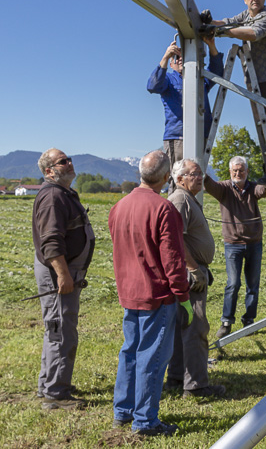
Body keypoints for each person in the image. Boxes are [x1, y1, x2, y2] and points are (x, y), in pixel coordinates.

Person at [108, 150, 193, 437]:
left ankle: (123, 410)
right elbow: (173, 259)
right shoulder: (163, 209)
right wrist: (183, 296)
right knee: (152, 356)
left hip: (129, 292)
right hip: (157, 295)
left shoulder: (119, 206)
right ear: (168, 177)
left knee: (130, 352)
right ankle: (145, 420)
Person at [207, 0, 266, 182]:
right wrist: (209, 23)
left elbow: (254, 34)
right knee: (262, 126)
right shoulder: (245, 16)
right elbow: (227, 22)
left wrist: (223, 32)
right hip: (256, 80)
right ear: (245, 0)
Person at [32, 149, 94, 411]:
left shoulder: (62, 193)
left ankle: (49, 384)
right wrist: (63, 274)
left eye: (69, 160)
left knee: (56, 328)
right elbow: (51, 241)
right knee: (61, 331)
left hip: (64, 272)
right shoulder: (53, 196)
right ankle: (56, 394)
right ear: (49, 171)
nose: (69, 164)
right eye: (62, 162)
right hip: (59, 274)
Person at [165, 158, 226, 398]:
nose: (199, 178)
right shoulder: (180, 200)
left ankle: (177, 377)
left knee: (186, 325)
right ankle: (197, 385)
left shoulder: (187, 198)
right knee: (196, 327)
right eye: (194, 174)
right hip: (190, 273)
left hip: (193, 270)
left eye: (201, 174)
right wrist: (193, 269)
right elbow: (175, 239)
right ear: (180, 179)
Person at [204, 156, 266, 338]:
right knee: (233, 283)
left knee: (253, 285)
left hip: (254, 243)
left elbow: (263, 190)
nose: (238, 173)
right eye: (234, 170)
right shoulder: (224, 189)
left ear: (247, 171)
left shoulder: (253, 188)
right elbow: (209, 185)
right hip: (233, 244)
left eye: (241, 170)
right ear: (230, 172)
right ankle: (226, 321)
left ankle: (248, 320)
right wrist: (200, 170)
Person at [146, 36, 224, 191]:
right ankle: (175, 207)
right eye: (176, 57)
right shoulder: (168, 79)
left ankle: (192, 207)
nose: (180, 59)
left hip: (201, 134)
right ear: (171, 63)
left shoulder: (200, 78)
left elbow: (217, 72)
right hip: (178, 137)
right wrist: (165, 56)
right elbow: (153, 85)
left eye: (184, 56)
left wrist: (211, 45)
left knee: (195, 179)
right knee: (178, 180)